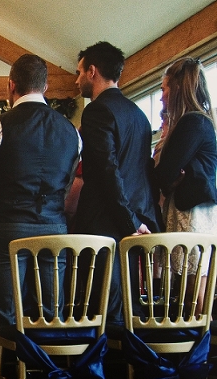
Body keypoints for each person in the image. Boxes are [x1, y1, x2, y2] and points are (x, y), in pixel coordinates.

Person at [0, 54, 81, 379]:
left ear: (11, 86)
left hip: (6, 238)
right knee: (48, 317)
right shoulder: (71, 133)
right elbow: (65, 187)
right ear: (46, 87)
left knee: (3, 321)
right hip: (56, 238)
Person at [73, 41, 161, 324]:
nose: (76, 80)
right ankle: (128, 366)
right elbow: (144, 172)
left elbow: (106, 171)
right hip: (135, 223)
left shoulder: (97, 111)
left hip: (105, 225)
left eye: (79, 72)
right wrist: (143, 220)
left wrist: (129, 221)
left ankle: (98, 366)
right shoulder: (139, 116)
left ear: (92, 71)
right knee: (128, 305)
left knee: (101, 310)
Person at [153, 57, 217, 314]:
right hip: (190, 211)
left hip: (193, 214)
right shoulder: (197, 122)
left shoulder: (193, 123)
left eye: (163, 89)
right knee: (192, 288)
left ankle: (202, 348)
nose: (161, 97)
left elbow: (163, 173)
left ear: (177, 88)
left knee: (195, 289)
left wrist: (172, 177)